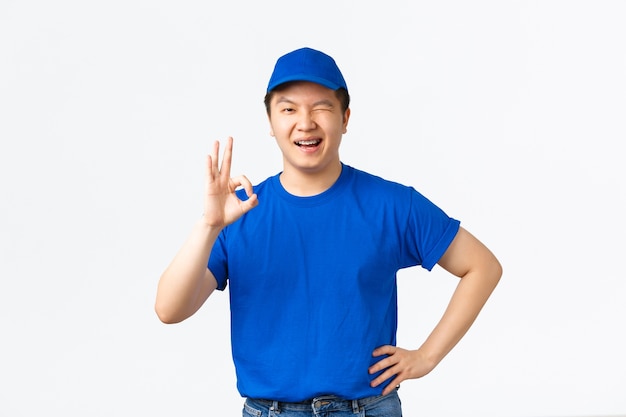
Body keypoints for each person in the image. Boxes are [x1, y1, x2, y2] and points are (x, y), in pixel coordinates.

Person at [155, 47, 502, 417]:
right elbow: (169, 309)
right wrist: (208, 225)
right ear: (270, 123)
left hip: (366, 408)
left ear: (345, 118)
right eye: (288, 109)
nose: (305, 123)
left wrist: (427, 356)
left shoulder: (391, 204)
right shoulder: (239, 213)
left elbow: (482, 267)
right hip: (268, 410)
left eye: (321, 107)